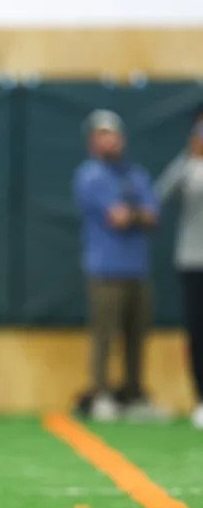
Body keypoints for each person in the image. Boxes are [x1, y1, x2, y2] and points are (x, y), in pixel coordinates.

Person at [72, 109, 161, 421]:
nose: (107, 140)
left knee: (136, 334)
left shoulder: (135, 174)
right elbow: (118, 217)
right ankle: (100, 395)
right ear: (92, 141)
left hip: (136, 267)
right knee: (104, 335)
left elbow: (152, 215)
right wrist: (136, 215)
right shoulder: (90, 175)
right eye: (100, 134)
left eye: (111, 133)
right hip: (104, 268)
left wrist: (133, 215)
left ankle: (133, 395)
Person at [154, 105, 203, 429]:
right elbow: (156, 197)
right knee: (198, 334)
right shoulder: (187, 166)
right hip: (193, 262)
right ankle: (201, 399)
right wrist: (189, 159)